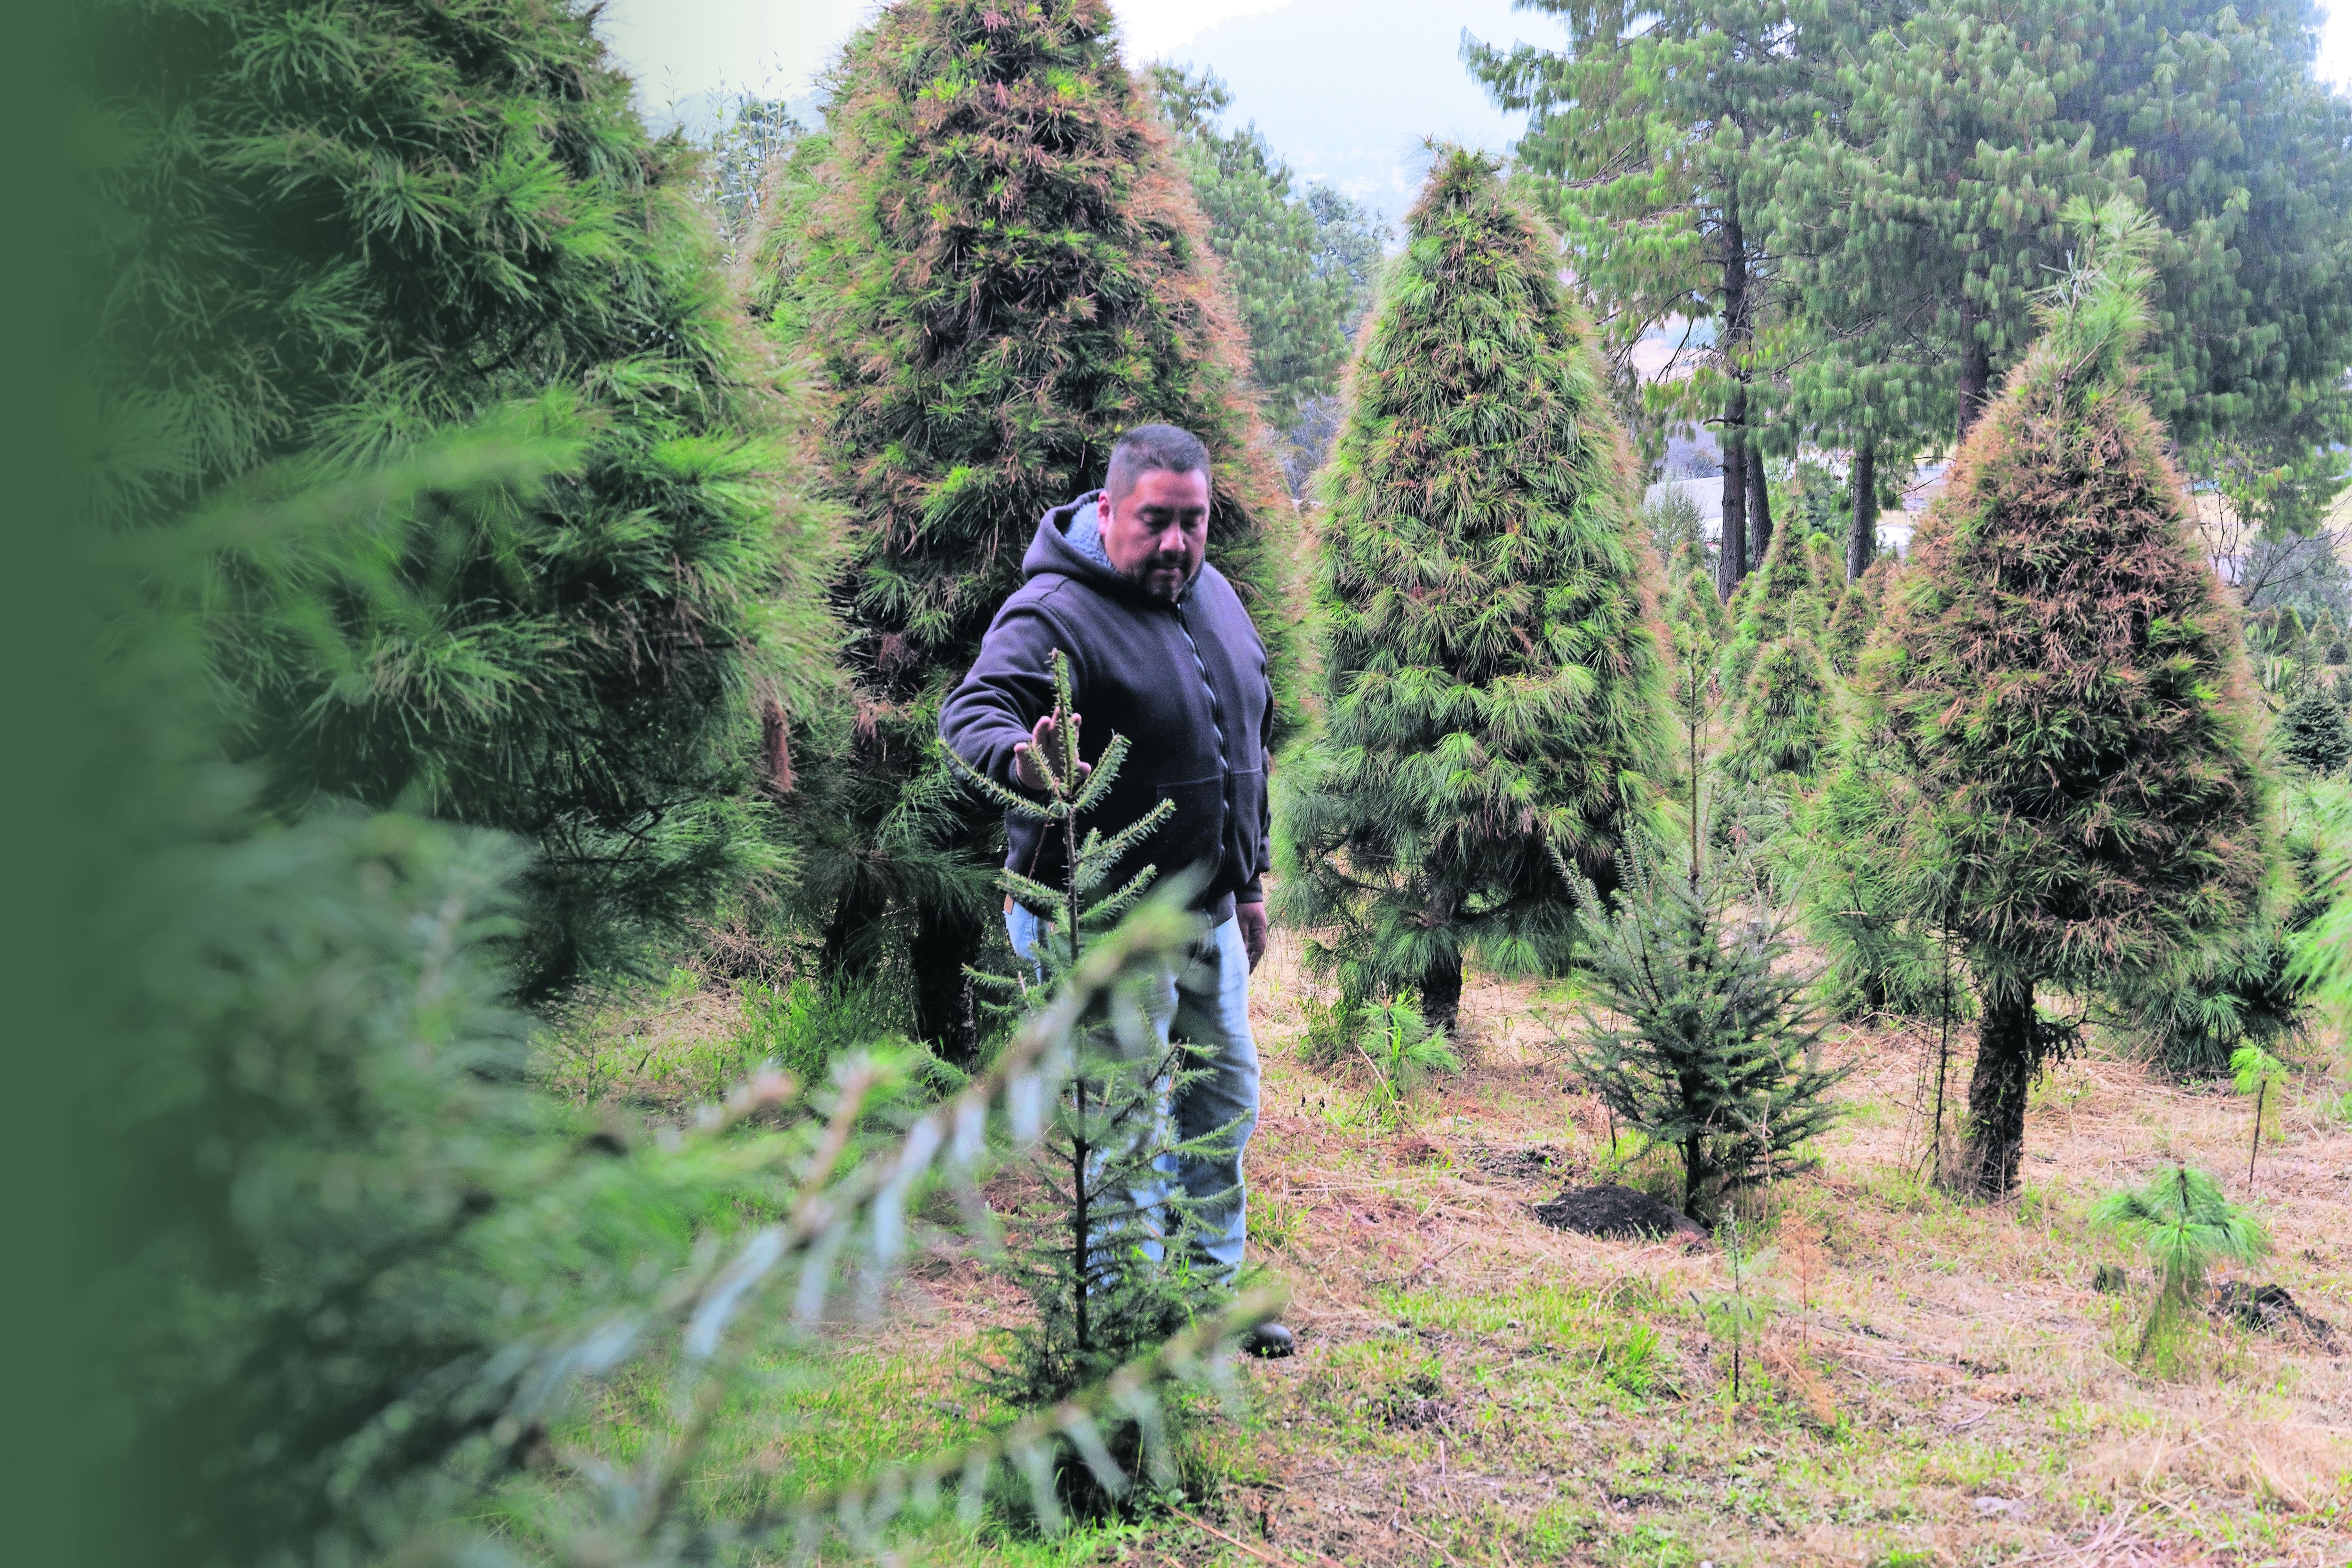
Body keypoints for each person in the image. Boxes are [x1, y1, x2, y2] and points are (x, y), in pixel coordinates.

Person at [938, 423, 1293, 1359]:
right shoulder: (1055, 607)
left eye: (1194, 521)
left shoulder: (1211, 593)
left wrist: (1246, 880)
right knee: (1125, 1133)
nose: (1176, 544)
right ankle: (1128, 1336)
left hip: (1207, 914)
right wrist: (1026, 758)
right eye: (1154, 522)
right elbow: (971, 710)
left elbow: (1247, 741)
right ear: (1107, 511)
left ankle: (1206, 1296)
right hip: (1098, 921)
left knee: (1223, 1109)